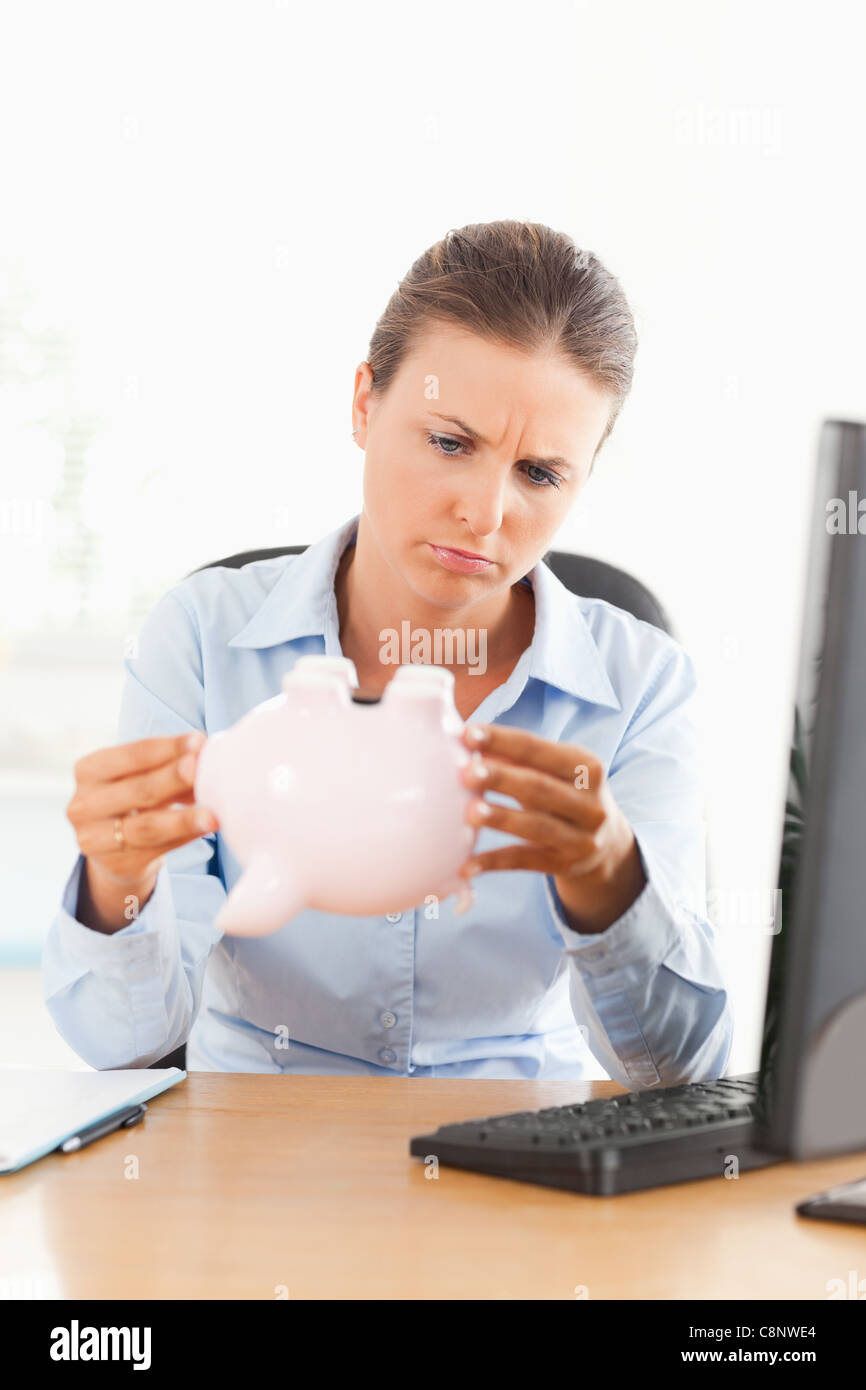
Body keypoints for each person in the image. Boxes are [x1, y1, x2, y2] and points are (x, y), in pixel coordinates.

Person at [44, 219, 732, 1084]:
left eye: (540, 473)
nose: (485, 513)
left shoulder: (642, 686)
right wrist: (117, 881)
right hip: (251, 1149)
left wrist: (608, 883)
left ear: (586, 473)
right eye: (450, 442)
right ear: (366, 404)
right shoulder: (202, 638)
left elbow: (678, 1074)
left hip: (520, 1162)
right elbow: (123, 1044)